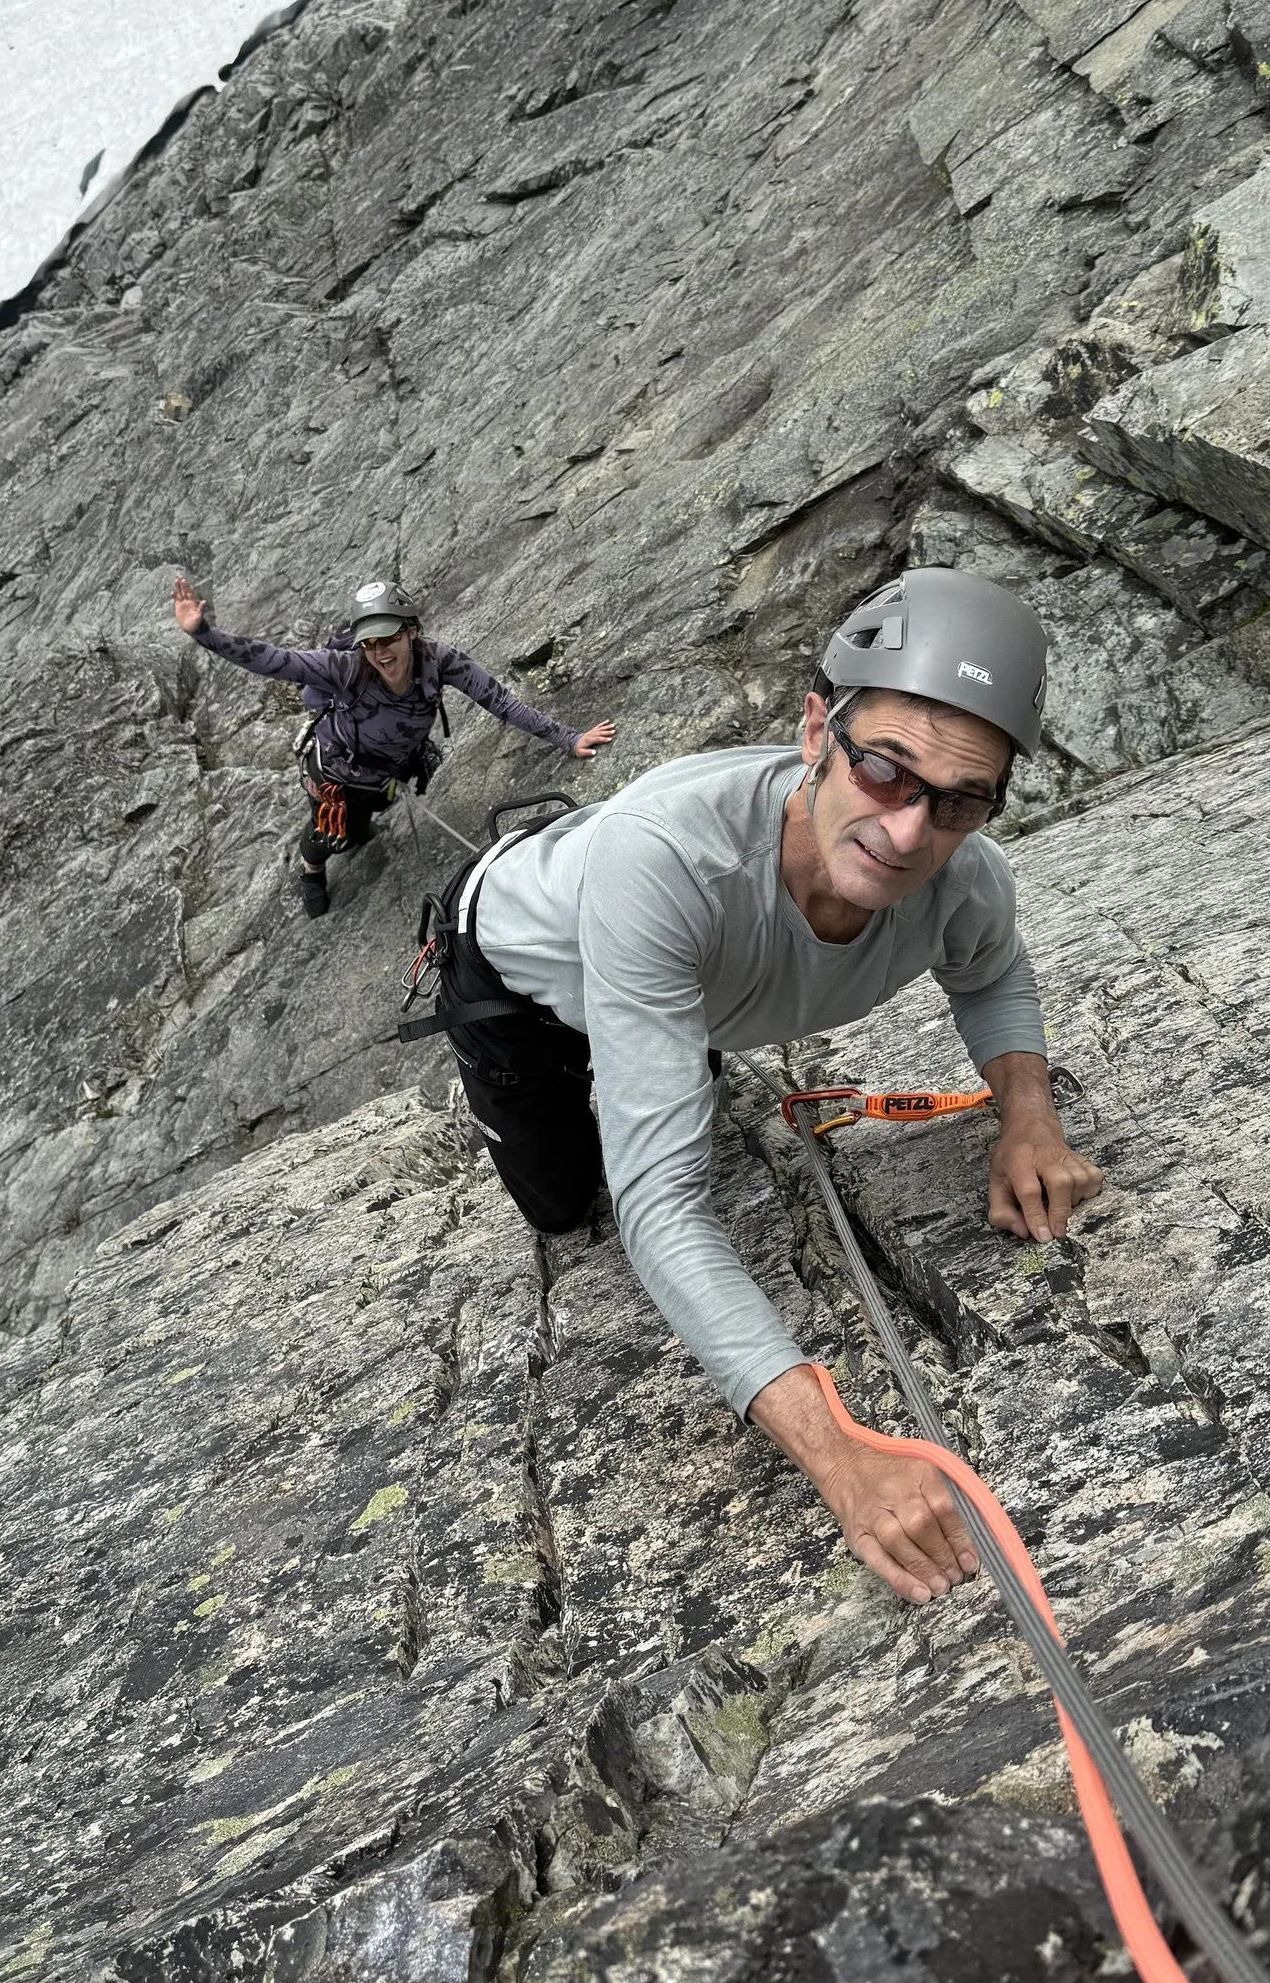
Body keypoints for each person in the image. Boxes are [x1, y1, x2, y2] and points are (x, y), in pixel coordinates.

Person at [424, 568, 1102, 1607]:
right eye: (883, 771)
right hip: (515, 970)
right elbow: (661, 1205)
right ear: (816, 732)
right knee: (567, 1207)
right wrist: (842, 1458)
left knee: (669, 1046)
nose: (911, 831)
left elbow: (992, 968)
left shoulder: (964, 879)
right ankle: (637, 1030)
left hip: (669, 965)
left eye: (961, 799)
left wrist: (1026, 1118)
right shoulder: (668, 860)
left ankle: (661, 1028)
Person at [170, 573, 615, 918]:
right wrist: (204, 633)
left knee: (365, 824)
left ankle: (355, 831)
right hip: (337, 774)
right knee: (332, 836)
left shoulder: (440, 661)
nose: (381, 652)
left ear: (411, 631)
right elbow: (273, 660)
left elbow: (499, 702)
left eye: (390, 639)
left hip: (390, 769)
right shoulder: (345, 670)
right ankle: (310, 871)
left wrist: (568, 739)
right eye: (370, 643)